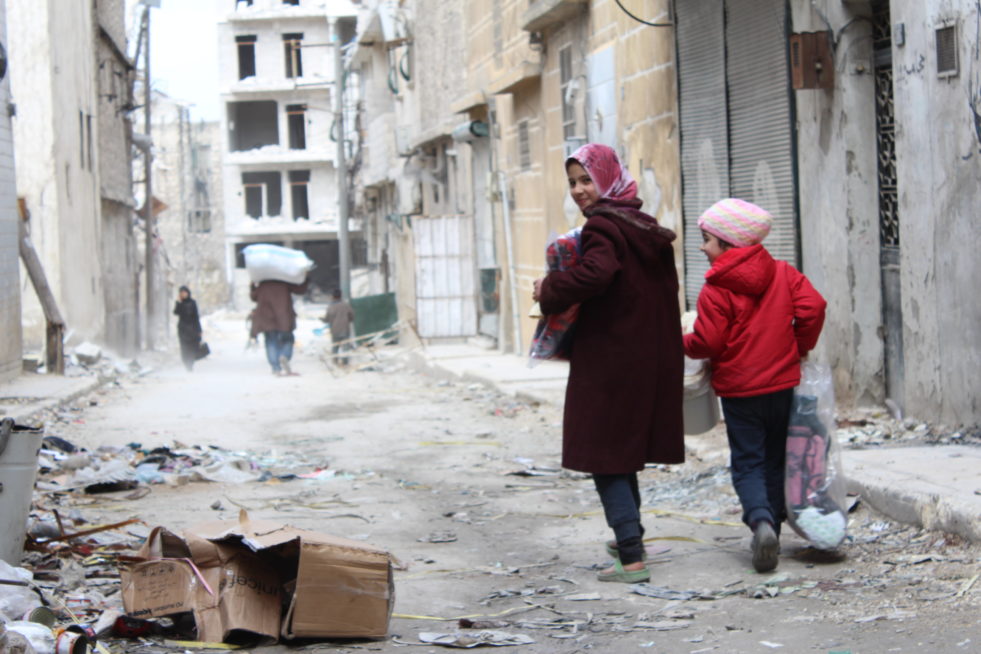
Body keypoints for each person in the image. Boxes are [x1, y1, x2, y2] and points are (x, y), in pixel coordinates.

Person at [532, 144, 684, 584]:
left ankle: (632, 557)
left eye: (586, 179)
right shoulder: (641, 225)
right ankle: (627, 538)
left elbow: (596, 274)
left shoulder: (602, 226)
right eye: (574, 182)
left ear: (609, 177)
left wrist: (549, 288)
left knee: (605, 455)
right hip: (647, 357)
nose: (580, 190)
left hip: (613, 360)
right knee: (622, 452)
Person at [683, 198, 827, 573]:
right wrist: (799, 346)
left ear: (728, 245)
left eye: (707, 240)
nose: (702, 246)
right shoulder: (784, 273)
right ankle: (773, 530)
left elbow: (709, 343)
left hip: (739, 391)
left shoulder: (715, 289)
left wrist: (681, 342)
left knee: (748, 460)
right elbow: (814, 307)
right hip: (782, 385)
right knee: (776, 457)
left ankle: (760, 520)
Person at [250, 277, 309, 376]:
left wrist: (252, 286)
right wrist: (306, 278)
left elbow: (254, 297)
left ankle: (275, 367)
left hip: (266, 320)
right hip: (284, 319)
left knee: (270, 342)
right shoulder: (284, 282)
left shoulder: (263, 284)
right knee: (288, 340)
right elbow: (300, 290)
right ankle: (284, 356)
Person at [322, 289, 355, 366]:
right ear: (340, 296)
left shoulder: (331, 307)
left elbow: (327, 319)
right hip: (345, 329)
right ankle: (345, 361)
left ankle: (335, 361)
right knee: (345, 346)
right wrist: (347, 321)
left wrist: (322, 319)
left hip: (335, 330)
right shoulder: (346, 305)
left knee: (335, 346)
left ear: (333, 297)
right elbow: (352, 316)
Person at [173, 286, 203, 371]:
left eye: (184, 292)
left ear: (188, 293)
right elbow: (176, 312)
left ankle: (191, 363)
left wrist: (199, 330)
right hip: (182, 329)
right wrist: (178, 302)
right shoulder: (180, 302)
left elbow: (196, 317)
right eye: (181, 293)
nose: (183, 294)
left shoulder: (193, 302)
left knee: (192, 347)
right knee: (184, 347)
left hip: (193, 328)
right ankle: (186, 363)